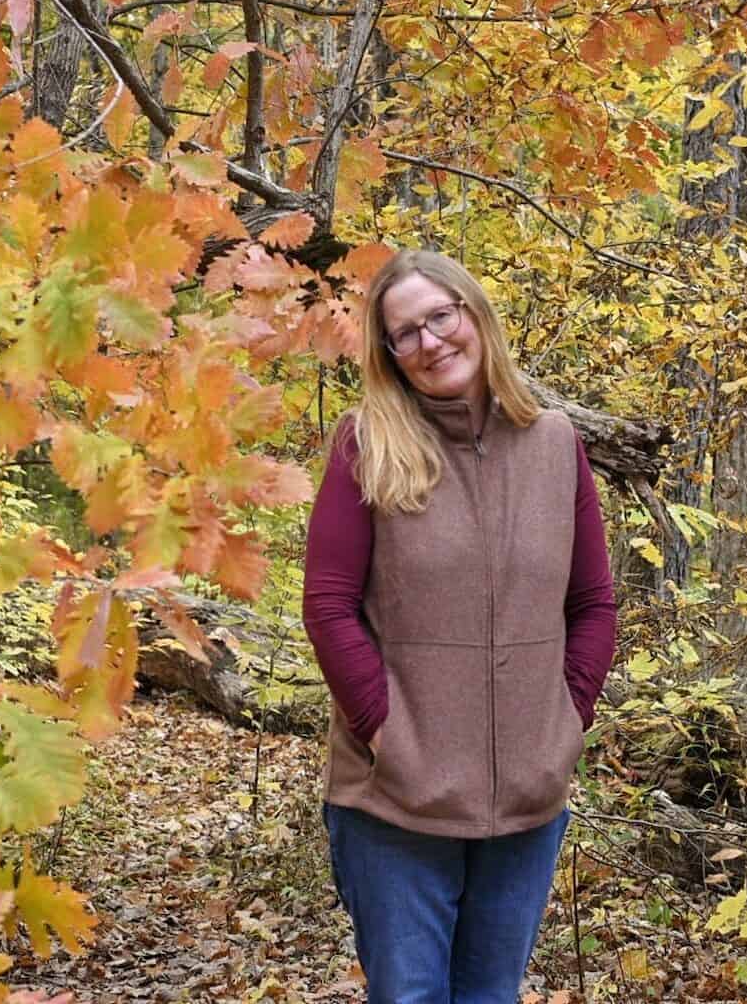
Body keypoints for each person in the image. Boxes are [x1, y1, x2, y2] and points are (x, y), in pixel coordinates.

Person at [303, 249, 616, 1004]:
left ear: (474, 315)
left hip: (526, 804)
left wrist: (564, 722)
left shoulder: (555, 444)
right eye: (404, 334)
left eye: (440, 316)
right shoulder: (366, 444)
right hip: (396, 803)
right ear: (389, 355)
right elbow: (328, 607)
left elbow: (594, 604)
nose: (429, 342)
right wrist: (388, 737)